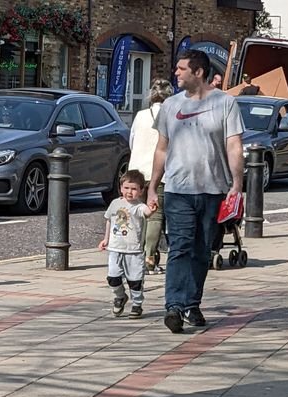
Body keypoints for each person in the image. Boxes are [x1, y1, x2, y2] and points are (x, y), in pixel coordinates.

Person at [147, 49, 244, 333]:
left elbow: (234, 145)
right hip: (178, 190)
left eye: (181, 69)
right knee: (180, 247)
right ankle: (174, 307)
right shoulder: (170, 106)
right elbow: (161, 149)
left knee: (203, 251)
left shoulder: (225, 104)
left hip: (213, 190)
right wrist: (153, 186)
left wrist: (237, 184)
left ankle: (192, 303)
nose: (175, 73)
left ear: (198, 72)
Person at [128, 78, 174, 275]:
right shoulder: (172, 117)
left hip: (136, 172)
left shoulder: (140, 115)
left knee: (138, 215)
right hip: (159, 173)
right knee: (155, 216)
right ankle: (149, 257)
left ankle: (134, 256)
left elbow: (132, 141)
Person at [99, 169, 157, 319]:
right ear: (120, 188)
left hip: (134, 250)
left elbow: (147, 212)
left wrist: (152, 208)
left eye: (134, 189)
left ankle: (137, 304)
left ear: (141, 190)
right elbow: (109, 220)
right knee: (113, 277)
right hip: (115, 248)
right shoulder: (115, 203)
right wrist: (106, 239)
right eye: (126, 188)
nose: (129, 192)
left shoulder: (138, 206)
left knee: (135, 280)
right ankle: (120, 297)